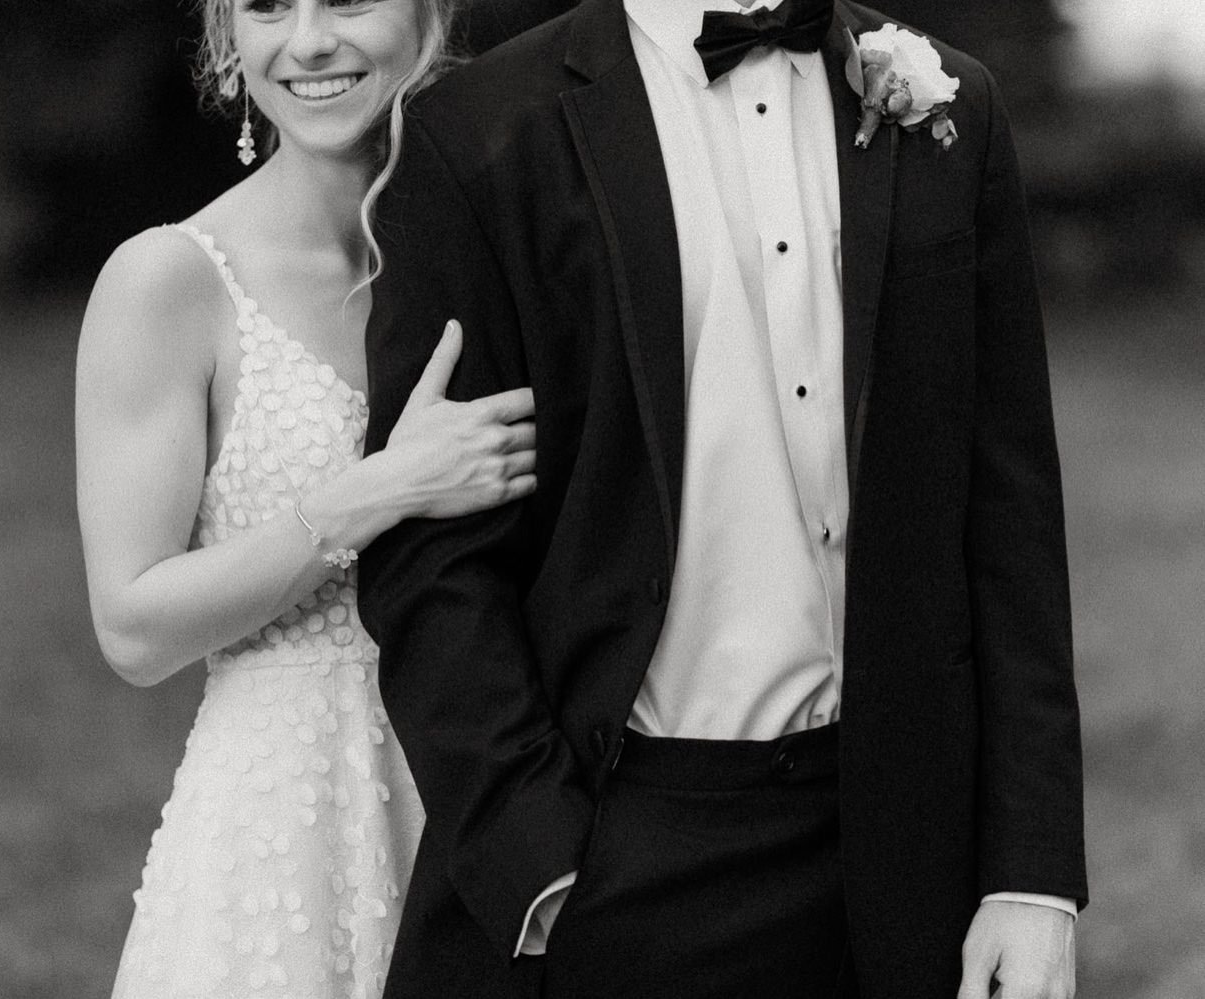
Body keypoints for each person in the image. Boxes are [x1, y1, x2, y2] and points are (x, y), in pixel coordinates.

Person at [359, 0, 1087, 996]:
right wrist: (537, 862)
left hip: (903, 860)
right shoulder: (479, 131)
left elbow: (1010, 513)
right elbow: (429, 553)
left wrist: (1032, 877)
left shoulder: (954, 105)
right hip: (620, 846)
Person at [74, 0, 539, 993]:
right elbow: (133, 626)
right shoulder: (168, 282)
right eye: (269, 7)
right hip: (279, 842)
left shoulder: (510, 251)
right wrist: (378, 491)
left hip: (490, 807)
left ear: (431, 14)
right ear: (227, 40)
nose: (311, 40)